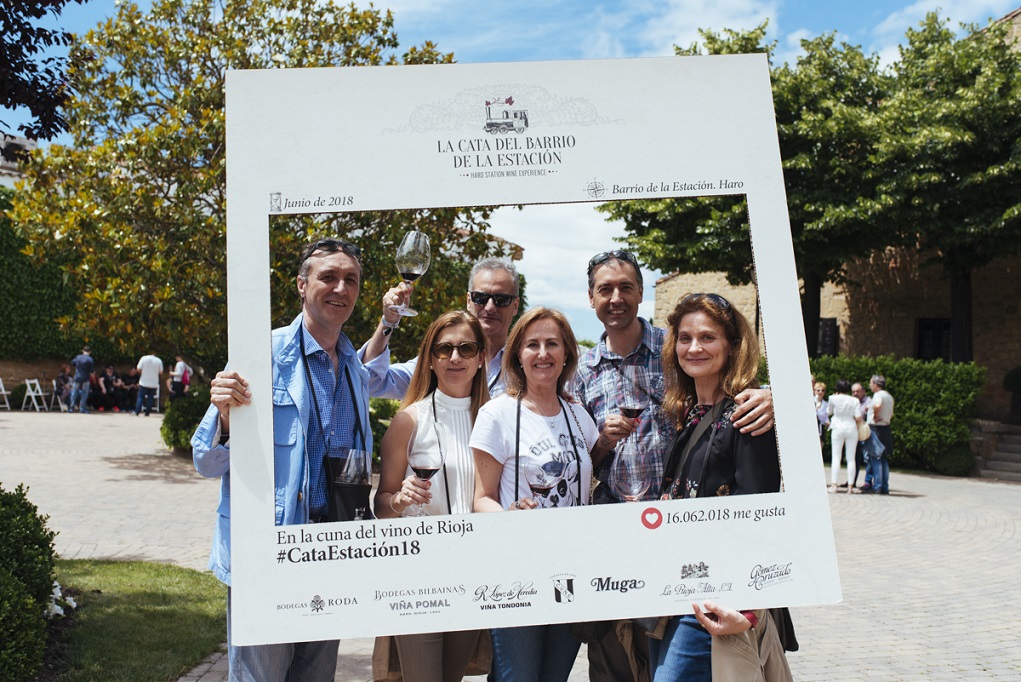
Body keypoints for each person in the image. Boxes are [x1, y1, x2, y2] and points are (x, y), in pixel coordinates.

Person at [572, 251, 775, 682]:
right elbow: (574, 459)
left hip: (704, 577)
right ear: (590, 297)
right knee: (619, 666)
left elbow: (759, 507)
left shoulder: (734, 407)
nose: (693, 347)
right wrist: (602, 443)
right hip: (636, 552)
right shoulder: (582, 371)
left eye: (626, 287)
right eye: (605, 289)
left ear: (641, 293)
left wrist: (776, 397)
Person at [191, 237, 372, 681]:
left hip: (334, 550)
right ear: (301, 285)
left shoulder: (355, 367)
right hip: (272, 552)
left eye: (351, 279)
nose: (341, 288)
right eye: (328, 277)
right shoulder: (262, 355)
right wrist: (226, 417)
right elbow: (206, 461)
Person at [654, 293, 789, 681]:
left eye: (708, 337)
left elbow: (759, 513)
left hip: (716, 598)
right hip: (677, 587)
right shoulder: (690, 416)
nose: (694, 347)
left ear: (732, 346)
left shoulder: (748, 416)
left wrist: (747, 608)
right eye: (685, 338)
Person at [471, 307, 605, 682]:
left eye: (552, 344)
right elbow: (481, 499)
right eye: (532, 345)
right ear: (518, 354)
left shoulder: (578, 415)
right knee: (519, 676)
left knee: (554, 676)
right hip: (518, 570)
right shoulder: (497, 414)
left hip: (572, 570)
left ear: (567, 354)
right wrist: (508, 516)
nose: (542, 353)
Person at [373, 310, 489, 682]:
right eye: (444, 348)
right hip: (418, 574)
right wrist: (399, 499)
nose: (455, 357)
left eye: (466, 348)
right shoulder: (409, 420)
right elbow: (381, 505)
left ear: (481, 357)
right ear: (430, 358)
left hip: (474, 573)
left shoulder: (494, 420)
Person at [361, 257, 520, 399]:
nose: (490, 307)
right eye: (481, 297)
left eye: (501, 299)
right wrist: (388, 321)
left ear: (515, 306)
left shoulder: (524, 366)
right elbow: (371, 381)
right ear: (468, 301)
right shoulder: (440, 361)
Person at [827, 379, 862, 494]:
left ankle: (834, 485)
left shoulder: (832, 398)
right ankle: (850, 487)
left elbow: (829, 412)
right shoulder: (855, 400)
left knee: (836, 457)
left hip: (837, 427)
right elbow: (858, 417)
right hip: (851, 427)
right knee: (851, 458)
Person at [869, 374, 894, 495]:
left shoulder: (878, 395)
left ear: (875, 384)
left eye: (871, 383)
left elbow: (877, 405)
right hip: (886, 427)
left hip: (876, 428)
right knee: (883, 458)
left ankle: (877, 486)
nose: (870, 385)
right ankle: (885, 486)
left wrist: (875, 416)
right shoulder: (889, 396)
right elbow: (891, 414)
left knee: (876, 457)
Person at [851, 382, 872, 490]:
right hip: (853, 434)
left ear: (863, 391)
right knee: (854, 458)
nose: (855, 393)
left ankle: (868, 482)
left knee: (867, 459)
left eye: (857, 391)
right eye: (853, 391)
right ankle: (852, 481)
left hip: (865, 434)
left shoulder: (869, 402)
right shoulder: (851, 401)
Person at [134, 350, 164, 416]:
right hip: (154, 382)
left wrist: (143, 372)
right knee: (150, 398)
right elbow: (161, 372)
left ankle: (137, 411)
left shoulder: (143, 358)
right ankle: (147, 413)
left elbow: (138, 368)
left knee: (140, 397)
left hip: (144, 381)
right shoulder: (159, 360)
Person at [69, 345, 94, 414]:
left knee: (74, 393)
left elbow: (72, 363)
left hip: (77, 377)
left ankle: (71, 408)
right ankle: (82, 409)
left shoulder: (78, 357)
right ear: (90, 352)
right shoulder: (90, 359)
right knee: (84, 394)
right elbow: (92, 370)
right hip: (86, 378)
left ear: (83, 351)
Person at [813, 381, 829, 450]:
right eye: (818, 390)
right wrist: (816, 408)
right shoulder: (811, 401)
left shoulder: (826, 404)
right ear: (814, 391)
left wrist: (828, 422)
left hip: (820, 427)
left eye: (822, 390)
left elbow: (825, 417)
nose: (820, 392)